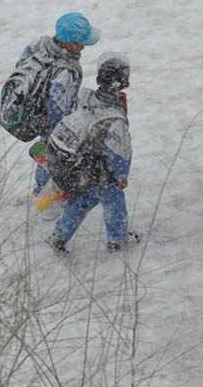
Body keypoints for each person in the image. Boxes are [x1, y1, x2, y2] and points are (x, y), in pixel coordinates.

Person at [46, 52, 140, 253]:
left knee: (81, 201)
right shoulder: (114, 119)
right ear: (126, 84)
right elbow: (120, 153)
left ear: (98, 79)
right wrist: (121, 176)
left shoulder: (84, 97)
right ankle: (118, 240)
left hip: (78, 164)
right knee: (114, 204)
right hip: (99, 170)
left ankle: (59, 236)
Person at [20, 12, 101, 217]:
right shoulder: (64, 72)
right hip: (51, 121)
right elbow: (59, 108)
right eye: (81, 43)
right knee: (53, 157)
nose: (83, 47)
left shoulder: (40, 45)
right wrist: (65, 131)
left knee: (45, 154)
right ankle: (48, 202)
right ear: (72, 44)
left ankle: (40, 187)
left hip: (36, 112)